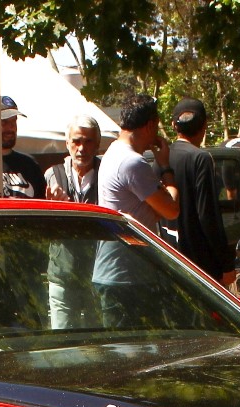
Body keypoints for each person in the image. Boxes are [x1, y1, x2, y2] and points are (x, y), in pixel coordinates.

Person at [92, 93, 180, 326]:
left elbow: (153, 209)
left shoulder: (113, 152)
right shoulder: (132, 162)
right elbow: (171, 210)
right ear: (150, 125)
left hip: (118, 273)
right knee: (133, 354)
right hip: (127, 276)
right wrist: (165, 167)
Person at [167, 97, 235, 285]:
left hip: (168, 258)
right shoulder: (201, 159)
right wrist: (226, 264)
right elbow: (208, 215)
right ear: (205, 125)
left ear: (174, 125)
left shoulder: (161, 157)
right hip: (200, 265)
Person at [45, 115, 103, 328]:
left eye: (88, 142)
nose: (82, 148)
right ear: (67, 144)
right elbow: (44, 229)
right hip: (63, 274)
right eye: (77, 141)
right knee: (62, 342)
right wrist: (51, 209)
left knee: (96, 342)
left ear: (97, 145)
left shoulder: (106, 174)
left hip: (96, 274)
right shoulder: (53, 175)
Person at [0, 96, 46, 198]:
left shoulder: (30, 164)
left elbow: (42, 202)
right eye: (4, 122)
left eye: (14, 121)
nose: (11, 127)